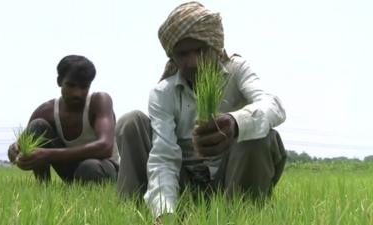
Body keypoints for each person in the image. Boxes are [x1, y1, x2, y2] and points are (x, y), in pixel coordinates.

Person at [116, 1, 287, 220]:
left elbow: (273, 105)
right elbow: (164, 158)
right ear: (172, 57)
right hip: (184, 181)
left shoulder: (237, 70)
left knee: (260, 134)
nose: (193, 62)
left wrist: (236, 123)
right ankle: (133, 214)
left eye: (200, 50)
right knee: (131, 121)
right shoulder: (163, 93)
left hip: (231, 180)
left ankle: (242, 216)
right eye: (182, 54)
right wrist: (165, 213)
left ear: (215, 46)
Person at [7, 55, 119, 184]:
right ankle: (43, 189)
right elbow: (21, 148)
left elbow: (105, 147)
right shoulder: (45, 111)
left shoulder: (99, 101)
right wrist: (16, 152)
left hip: (104, 169)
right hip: (72, 171)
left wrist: (47, 154)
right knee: (37, 125)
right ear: (59, 81)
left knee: (89, 167)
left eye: (83, 87)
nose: (77, 93)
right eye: (71, 85)